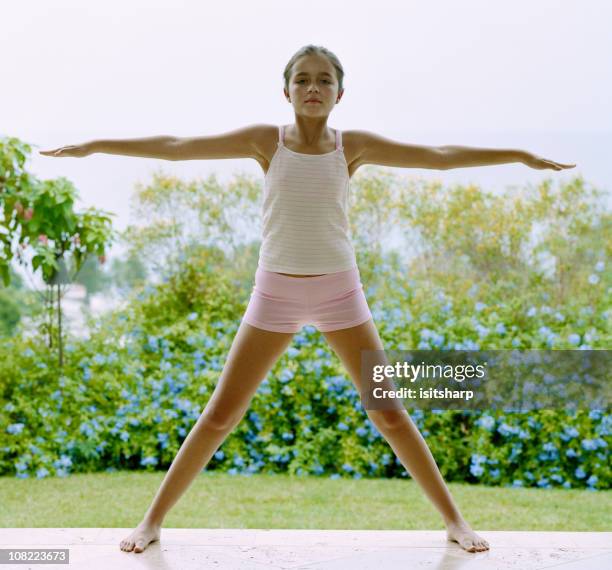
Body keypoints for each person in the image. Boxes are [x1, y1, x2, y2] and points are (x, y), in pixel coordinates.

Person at [40, 44, 575, 556]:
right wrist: (95, 146)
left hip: (341, 292)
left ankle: (456, 522)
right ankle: (151, 522)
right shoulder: (264, 141)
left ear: (340, 93)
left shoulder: (353, 145)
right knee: (220, 415)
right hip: (274, 293)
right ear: (286, 91)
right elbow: (179, 147)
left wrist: (520, 155)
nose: (313, 87)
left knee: (388, 412)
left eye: (324, 79)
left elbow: (437, 157)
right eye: (303, 79)